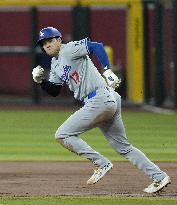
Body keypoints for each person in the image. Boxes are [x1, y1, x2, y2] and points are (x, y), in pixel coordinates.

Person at [32, 27, 171, 194]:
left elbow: (96, 46)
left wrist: (107, 70)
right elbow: (54, 90)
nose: (46, 45)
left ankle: (101, 162)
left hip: (99, 99)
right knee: (124, 148)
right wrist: (40, 81)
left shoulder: (68, 49)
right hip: (106, 99)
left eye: (50, 40)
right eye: (43, 43)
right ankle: (159, 176)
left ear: (59, 40)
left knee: (62, 135)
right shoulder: (55, 64)